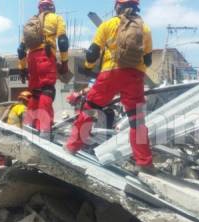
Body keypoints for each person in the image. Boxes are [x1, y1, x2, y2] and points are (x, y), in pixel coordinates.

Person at [65, 0, 156, 173]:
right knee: (137, 120)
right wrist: (136, 73)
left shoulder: (108, 25)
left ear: (117, 7)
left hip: (110, 73)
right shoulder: (145, 28)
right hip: (135, 76)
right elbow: (148, 60)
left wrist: (88, 68)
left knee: (89, 109)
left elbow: (92, 53)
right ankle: (144, 162)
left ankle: (72, 146)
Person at [18, 0, 69, 138]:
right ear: (52, 7)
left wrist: (22, 68)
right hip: (46, 57)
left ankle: (29, 127)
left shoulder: (31, 23)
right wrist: (64, 62)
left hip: (31, 59)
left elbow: (21, 49)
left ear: (39, 8)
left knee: (35, 93)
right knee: (47, 91)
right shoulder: (56, 18)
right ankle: (45, 131)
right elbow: (63, 40)